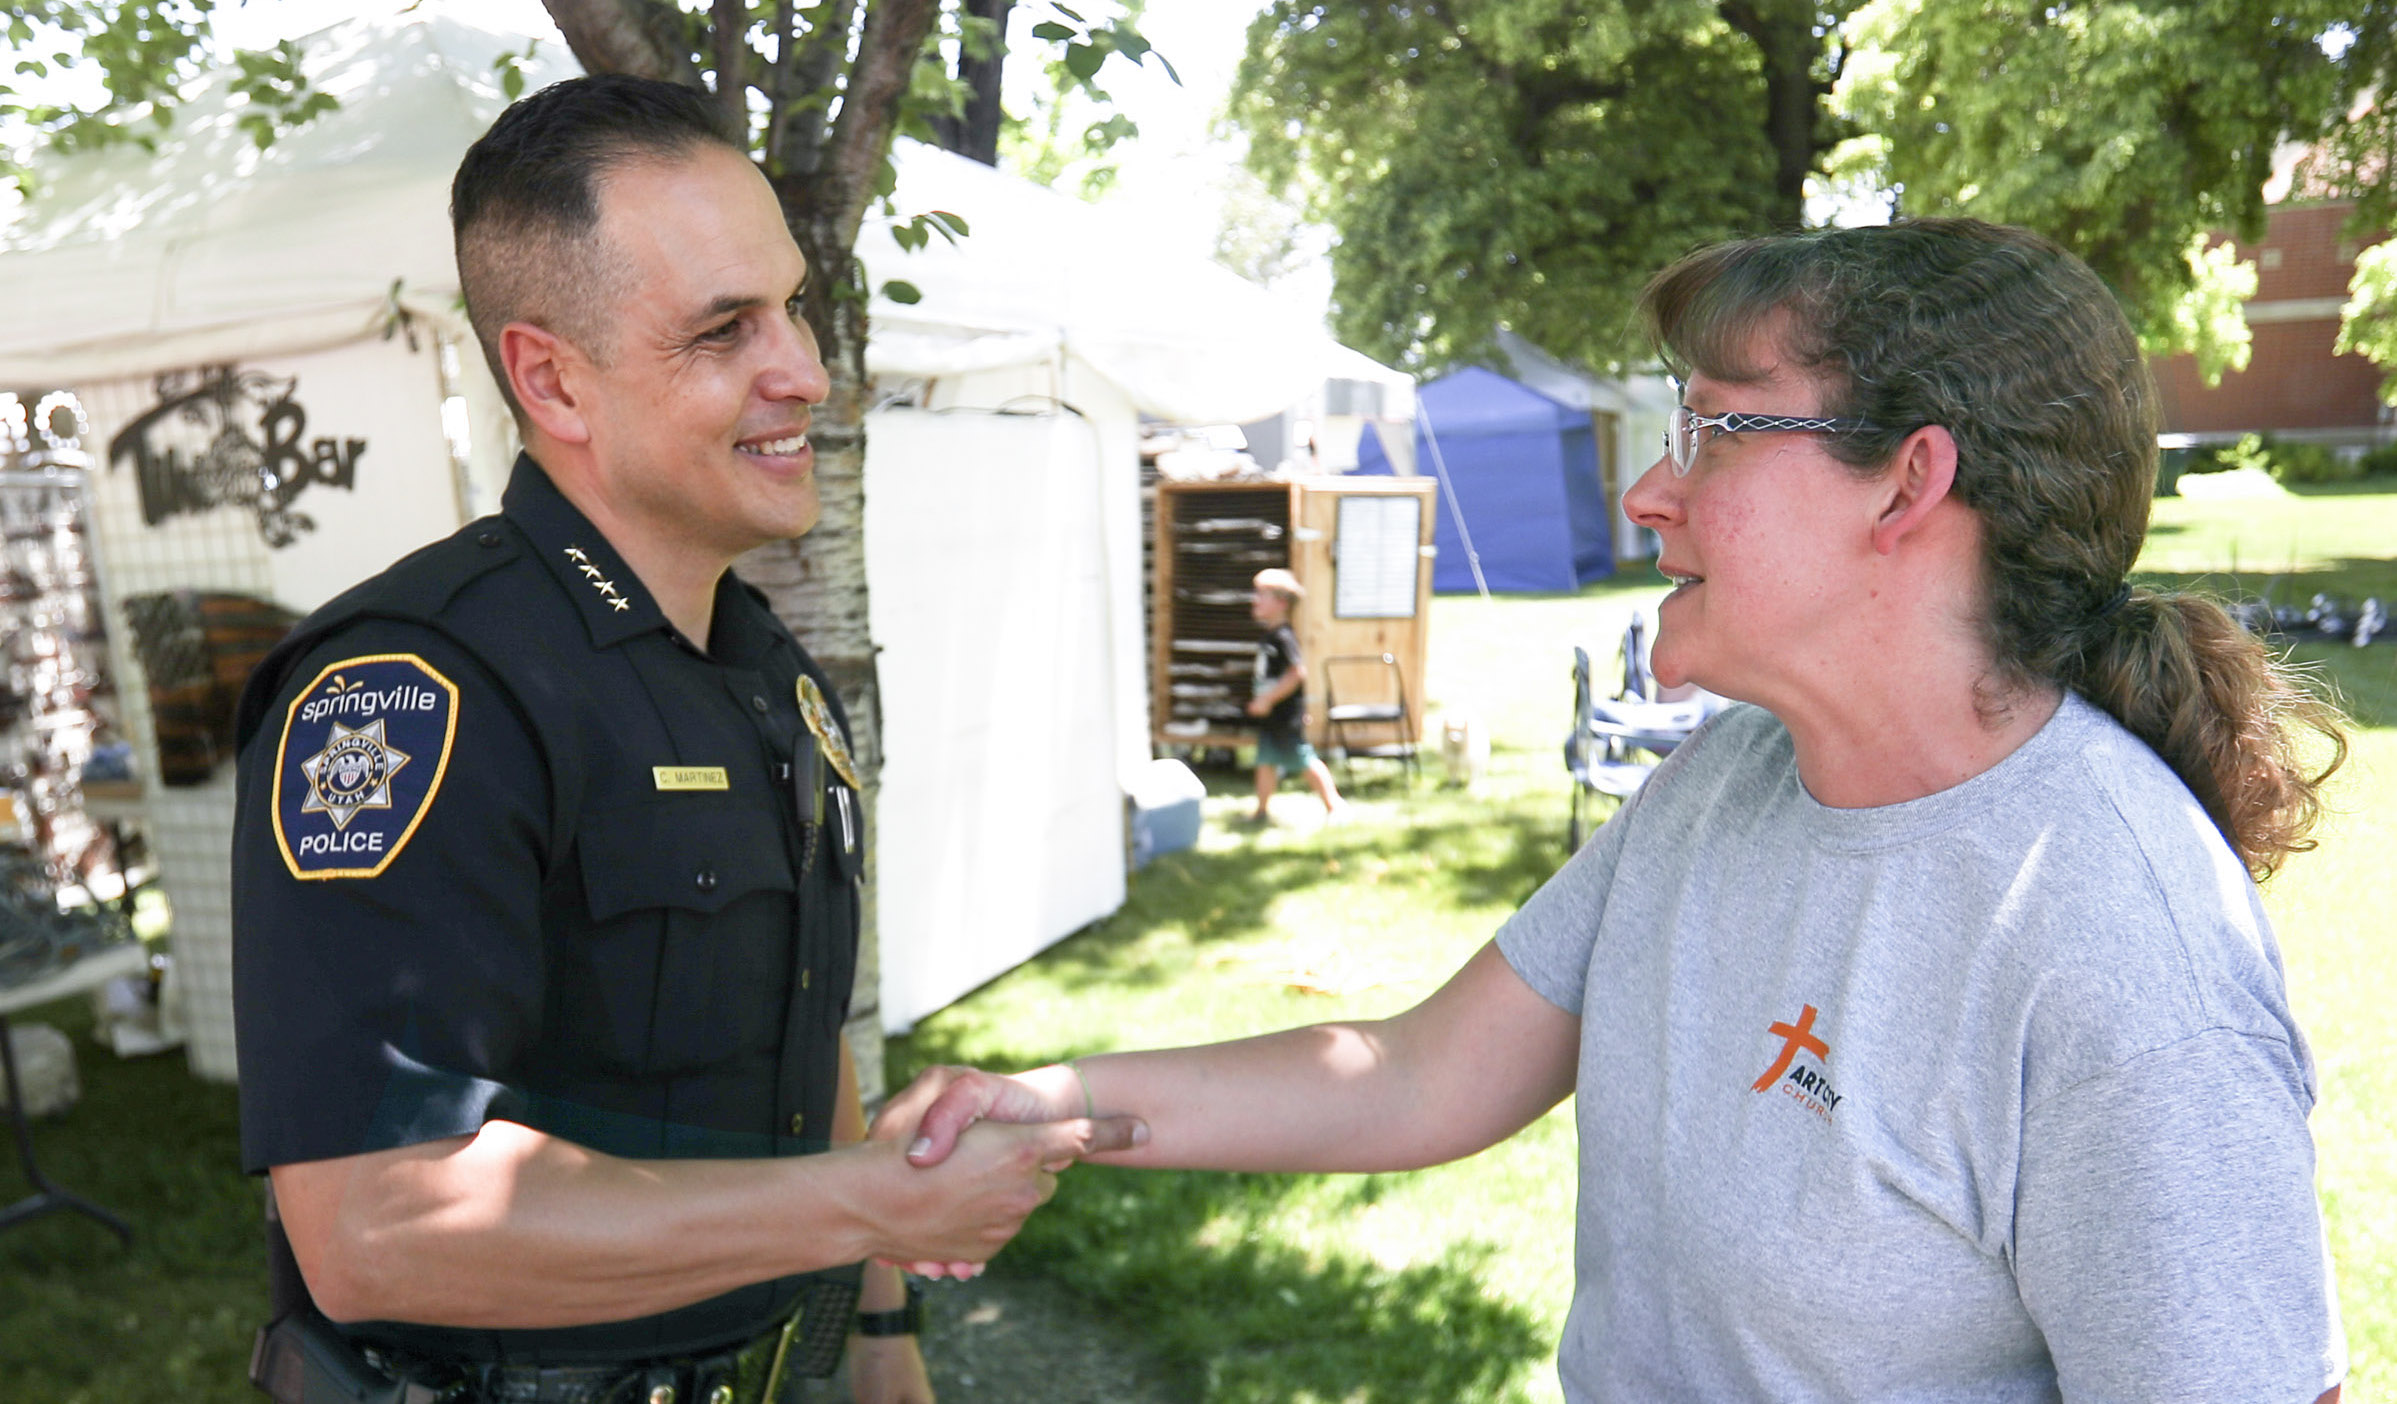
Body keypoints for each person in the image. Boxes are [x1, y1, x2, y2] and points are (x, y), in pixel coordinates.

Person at [877, 220, 2352, 1402]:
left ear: (1907, 483)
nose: (1652, 489)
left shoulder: (2118, 958)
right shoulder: (1724, 786)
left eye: (1711, 432)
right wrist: (1058, 1105)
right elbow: (1410, 1076)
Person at [228, 75, 1136, 1404]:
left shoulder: (763, 671)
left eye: (792, 308)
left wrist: (880, 1341)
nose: (806, 374)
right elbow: (380, 1228)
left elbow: (791, 1028)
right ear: (553, 380)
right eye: (723, 331)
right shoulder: (418, 689)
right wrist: (864, 1206)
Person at [1244, 568, 1346, 823]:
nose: (1254, 599)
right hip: (1272, 716)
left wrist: (1267, 699)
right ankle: (1261, 811)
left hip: (1284, 715)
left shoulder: (1284, 637)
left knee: (1303, 760)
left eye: (1261, 595)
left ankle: (1335, 805)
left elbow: (1296, 673)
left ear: (1280, 603)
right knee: (1265, 759)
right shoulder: (1270, 636)